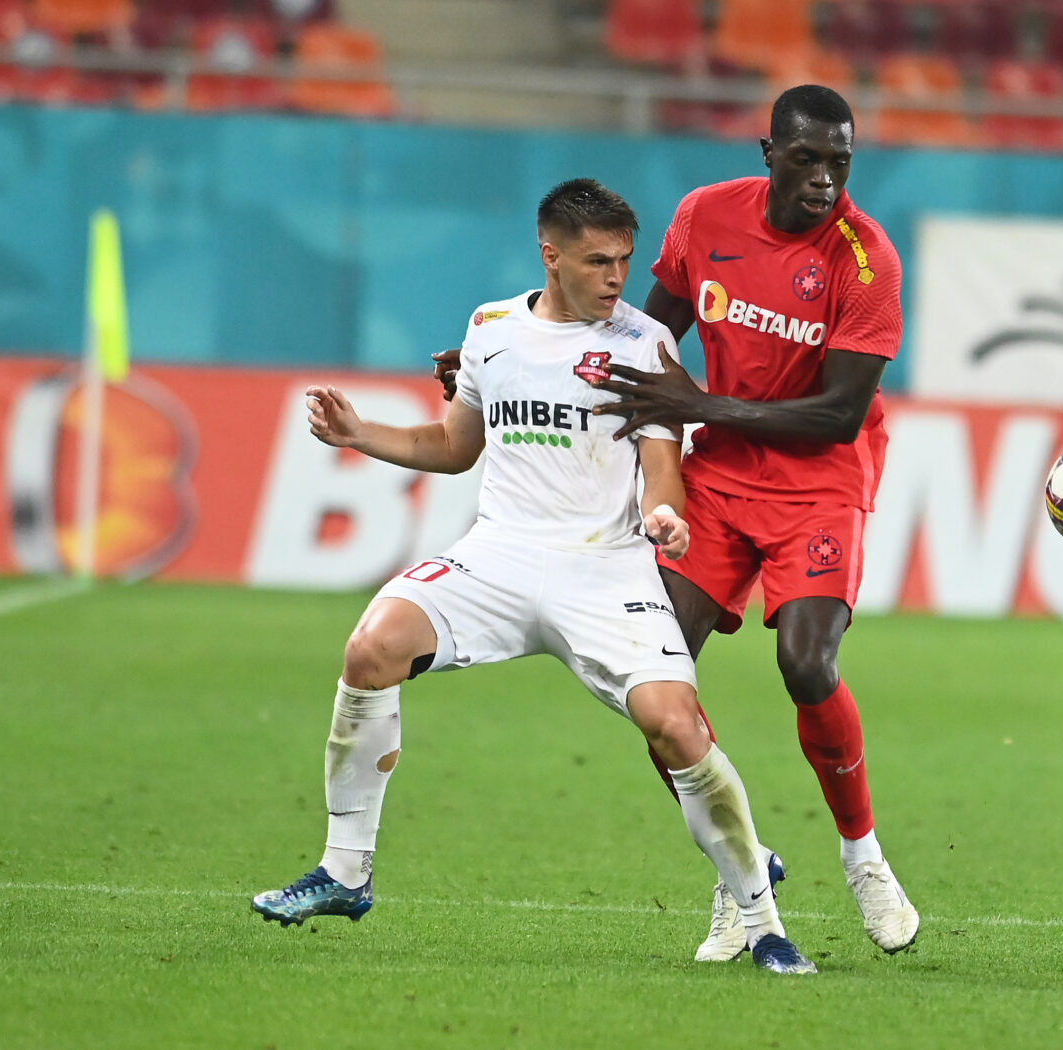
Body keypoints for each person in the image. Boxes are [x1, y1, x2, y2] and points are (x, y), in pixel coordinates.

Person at [252, 177, 816, 976]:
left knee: (678, 727)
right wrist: (358, 433)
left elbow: (663, 465)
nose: (617, 276)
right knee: (371, 649)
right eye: (597, 261)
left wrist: (663, 514)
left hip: (604, 565)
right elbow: (454, 447)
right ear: (549, 256)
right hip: (500, 556)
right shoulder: (490, 331)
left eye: (625, 258)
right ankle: (344, 873)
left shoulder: (646, 342)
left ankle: (763, 922)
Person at [433, 85, 919, 961]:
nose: (823, 181)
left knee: (806, 665)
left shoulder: (866, 259)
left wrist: (702, 403)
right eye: (806, 160)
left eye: (839, 164)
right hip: (720, 481)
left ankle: (864, 858)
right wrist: (496, 364)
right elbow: (635, 337)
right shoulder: (706, 217)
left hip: (820, 483)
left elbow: (841, 413)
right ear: (768, 153)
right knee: (654, 680)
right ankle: (744, 876)